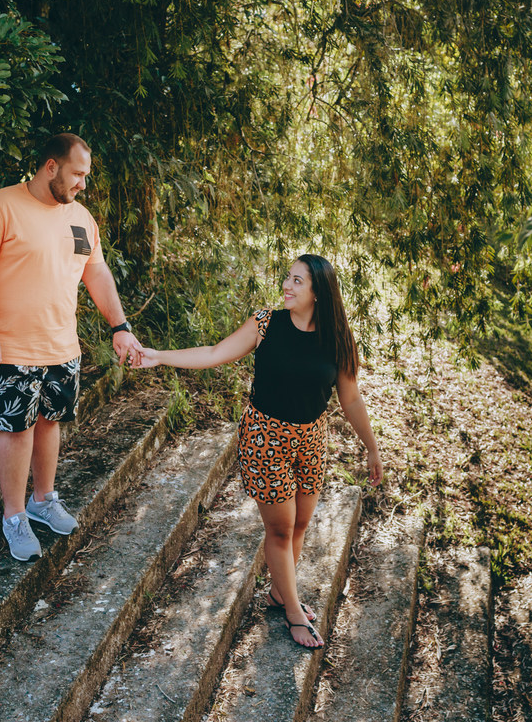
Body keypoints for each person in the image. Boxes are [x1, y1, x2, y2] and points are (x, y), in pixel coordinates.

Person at [135, 254, 383, 649]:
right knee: (281, 528)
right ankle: (293, 611)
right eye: (288, 278)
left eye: (297, 281)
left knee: (301, 524)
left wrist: (371, 447)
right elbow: (215, 353)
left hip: (312, 440)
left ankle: (278, 592)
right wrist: (159, 356)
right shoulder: (267, 324)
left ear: (319, 292)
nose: (287, 285)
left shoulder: (338, 339)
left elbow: (350, 400)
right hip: (264, 438)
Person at [0, 133, 143, 561]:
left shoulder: (80, 218)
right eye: (78, 174)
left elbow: (96, 275)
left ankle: (43, 500)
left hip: (61, 347)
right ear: (51, 166)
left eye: (86, 176)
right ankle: (14, 517)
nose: (83, 184)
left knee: (49, 422)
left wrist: (120, 326)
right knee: (16, 429)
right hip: (8, 349)